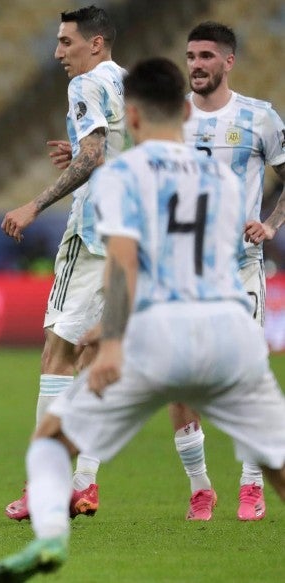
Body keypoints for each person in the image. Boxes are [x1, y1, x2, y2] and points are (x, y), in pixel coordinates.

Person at [0, 56, 285, 583]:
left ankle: (52, 539)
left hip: (158, 338)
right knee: (278, 463)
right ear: (186, 117)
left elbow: (124, 265)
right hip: (228, 332)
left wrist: (114, 339)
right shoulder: (220, 177)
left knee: (51, 441)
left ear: (134, 117)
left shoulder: (121, 176)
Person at [0, 5, 126, 520]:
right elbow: (111, 148)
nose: (57, 53)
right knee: (96, 351)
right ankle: (85, 483)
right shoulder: (130, 83)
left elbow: (95, 155)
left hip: (94, 233)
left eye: (66, 43)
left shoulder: (86, 85)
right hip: (133, 237)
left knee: (57, 351)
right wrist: (77, 148)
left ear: (94, 45)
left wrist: (34, 204)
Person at [167, 21, 285, 522]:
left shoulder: (260, 117)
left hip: (240, 269)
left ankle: (252, 484)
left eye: (207, 56)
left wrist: (272, 222)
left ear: (228, 62)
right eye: (191, 55)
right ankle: (200, 488)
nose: (196, 64)